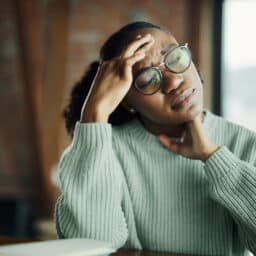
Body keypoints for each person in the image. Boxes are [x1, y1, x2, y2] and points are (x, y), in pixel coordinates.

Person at [55, 21, 256, 255]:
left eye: (175, 58)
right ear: (127, 101)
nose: (173, 82)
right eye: (147, 79)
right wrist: (94, 113)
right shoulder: (104, 151)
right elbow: (90, 244)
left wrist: (213, 156)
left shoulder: (245, 143)